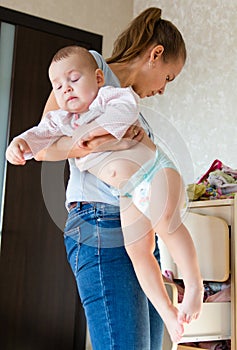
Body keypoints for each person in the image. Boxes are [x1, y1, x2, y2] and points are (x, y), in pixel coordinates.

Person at [6, 8, 203, 350]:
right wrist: (82, 144)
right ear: (155, 55)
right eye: (167, 78)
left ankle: (184, 301)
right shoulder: (84, 72)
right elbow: (46, 144)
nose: (162, 89)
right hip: (99, 223)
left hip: (136, 222)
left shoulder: (128, 104)